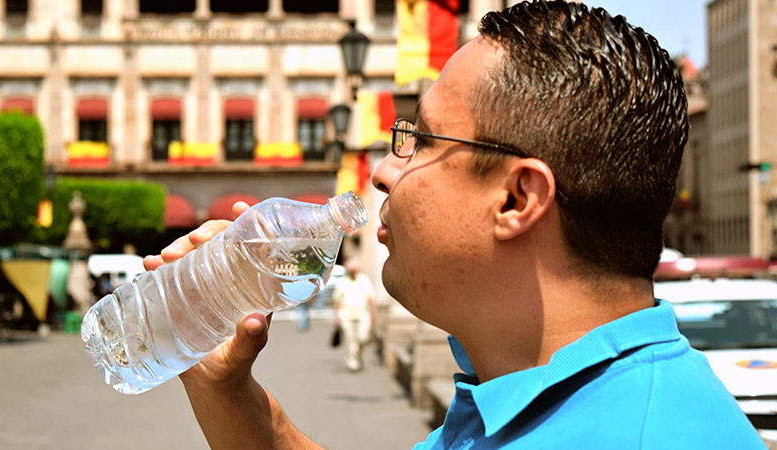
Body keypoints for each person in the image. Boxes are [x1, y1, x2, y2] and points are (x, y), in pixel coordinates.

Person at [143, 2, 765, 448]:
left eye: (419, 139)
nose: (385, 171)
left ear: (518, 198)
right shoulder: (543, 391)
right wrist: (228, 393)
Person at [332, 259, 376, 371]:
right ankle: (352, 362)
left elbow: (370, 299)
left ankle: (357, 355)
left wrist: (373, 314)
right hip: (346, 314)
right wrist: (337, 316)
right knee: (350, 339)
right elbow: (338, 300)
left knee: (362, 337)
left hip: (363, 313)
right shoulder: (342, 282)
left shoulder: (364, 280)